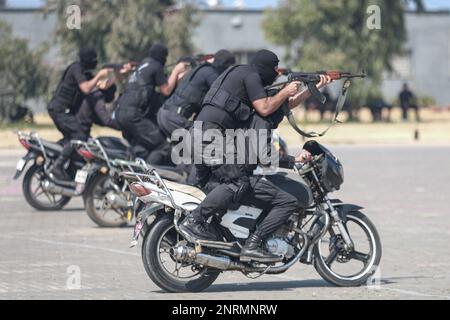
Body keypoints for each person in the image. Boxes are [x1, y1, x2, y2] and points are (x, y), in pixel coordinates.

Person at [180, 49, 332, 262]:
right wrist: (287, 90)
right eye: (274, 70)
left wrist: (312, 88)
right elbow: (267, 107)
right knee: (238, 183)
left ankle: (222, 233)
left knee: (224, 183)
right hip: (209, 136)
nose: (276, 74)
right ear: (265, 68)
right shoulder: (250, 76)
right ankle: (199, 222)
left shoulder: (240, 79)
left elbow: (281, 106)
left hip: (201, 134)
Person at [115, 43, 187, 164]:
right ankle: (148, 178)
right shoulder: (156, 66)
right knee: (161, 145)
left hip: (120, 113)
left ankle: (130, 170)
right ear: (162, 56)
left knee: (141, 145)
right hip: (133, 115)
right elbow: (166, 90)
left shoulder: (144, 64)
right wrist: (176, 71)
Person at [47, 47, 110, 181]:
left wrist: (117, 74)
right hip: (59, 111)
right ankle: (57, 166)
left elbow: (97, 85)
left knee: (73, 138)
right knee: (79, 136)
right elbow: (86, 88)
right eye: (94, 60)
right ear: (88, 60)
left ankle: (63, 161)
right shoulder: (76, 69)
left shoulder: (82, 71)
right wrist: (99, 75)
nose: (95, 62)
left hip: (60, 111)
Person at [156, 49, 236, 139]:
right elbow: (222, 95)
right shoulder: (211, 73)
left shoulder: (202, 69)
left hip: (164, 113)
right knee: (205, 142)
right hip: (174, 118)